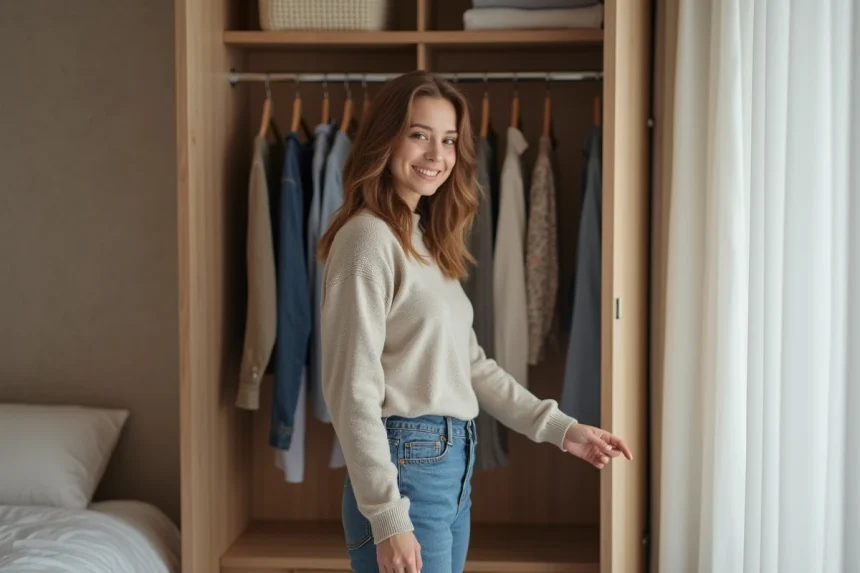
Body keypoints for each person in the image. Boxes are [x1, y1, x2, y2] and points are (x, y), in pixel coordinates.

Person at [317, 70, 632, 573]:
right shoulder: (368, 240)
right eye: (419, 135)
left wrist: (561, 428)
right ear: (386, 138)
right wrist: (388, 517)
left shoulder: (422, 238)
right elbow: (350, 389)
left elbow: (472, 364)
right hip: (407, 467)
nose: (436, 156)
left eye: (448, 141)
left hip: (448, 466)